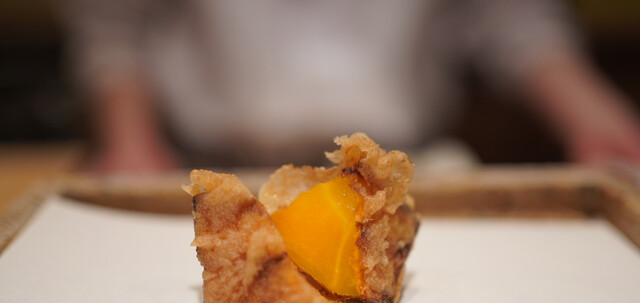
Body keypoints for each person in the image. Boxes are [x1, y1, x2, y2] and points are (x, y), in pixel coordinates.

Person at [62, 0, 640, 172]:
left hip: (410, 168)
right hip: (215, 164)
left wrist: (595, 120)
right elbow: (113, 25)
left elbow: (513, 16)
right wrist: (130, 144)